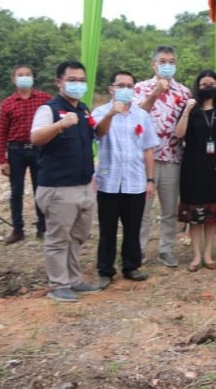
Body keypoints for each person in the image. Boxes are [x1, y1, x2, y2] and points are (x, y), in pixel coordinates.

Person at [31, 61, 103, 302]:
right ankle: (58, 285)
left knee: (77, 236)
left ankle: (74, 279)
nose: (78, 84)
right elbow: (36, 137)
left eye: (82, 80)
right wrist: (60, 125)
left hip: (83, 186)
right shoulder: (48, 109)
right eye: (72, 80)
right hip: (58, 188)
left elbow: (95, 136)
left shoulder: (83, 109)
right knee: (58, 238)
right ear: (59, 82)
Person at [93, 71, 159, 289]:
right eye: (121, 85)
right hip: (108, 182)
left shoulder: (141, 116)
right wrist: (111, 114)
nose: (125, 89)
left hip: (135, 181)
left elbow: (148, 149)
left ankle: (131, 266)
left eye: (130, 85)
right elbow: (98, 134)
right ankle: (106, 269)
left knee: (132, 227)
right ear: (111, 89)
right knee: (108, 228)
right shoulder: (100, 112)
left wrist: (150, 180)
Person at [134, 45, 192, 267]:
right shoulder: (140, 88)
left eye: (171, 61)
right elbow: (136, 117)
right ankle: (137, 250)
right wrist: (155, 93)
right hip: (145, 159)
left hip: (173, 157)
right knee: (143, 210)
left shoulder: (184, 92)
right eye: (163, 61)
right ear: (154, 64)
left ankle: (166, 249)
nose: (167, 65)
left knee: (169, 209)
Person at [175, 70, 216, 272]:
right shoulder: (191, 108)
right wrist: (186, 110)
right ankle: (196, 256)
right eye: (203, 84)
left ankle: (208, 254)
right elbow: (178, 134)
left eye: (211, 84)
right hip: (192, 167)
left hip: (215, 168)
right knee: (194, 214)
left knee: (211, 213)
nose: (207, 87)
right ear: (197, 87)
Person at [0, 65, 51, 243]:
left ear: (33, 77)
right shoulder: (7, 104)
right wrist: (2, 159)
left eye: (28, 74)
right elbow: (2, 133)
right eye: (21, 75)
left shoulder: (45, 99)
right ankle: (17, 229)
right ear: (14, 79)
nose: (25, 77)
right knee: (16, 191)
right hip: (16, 150)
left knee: (40, 189)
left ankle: (42, 228)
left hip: (39, 149)